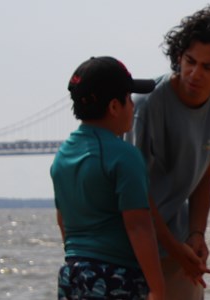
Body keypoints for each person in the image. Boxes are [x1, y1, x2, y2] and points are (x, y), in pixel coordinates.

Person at [131, 5, 210, 299]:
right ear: (178, 57)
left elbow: (205, 178)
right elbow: (135, 191)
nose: (194, 74)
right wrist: (173, 247)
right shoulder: (146, 105)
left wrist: (196, 235)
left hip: (177, 240)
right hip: (130, 242)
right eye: (189, 61)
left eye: (208, 67)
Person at [51, 56, 164, 300]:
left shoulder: (62, 155)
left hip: (73, 273)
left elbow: (63, 222)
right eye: (129, 99)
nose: (133, 107)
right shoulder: (125, 156)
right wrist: (157, 289)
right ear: (114, 107)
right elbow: (139, 225)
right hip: (115, 277)